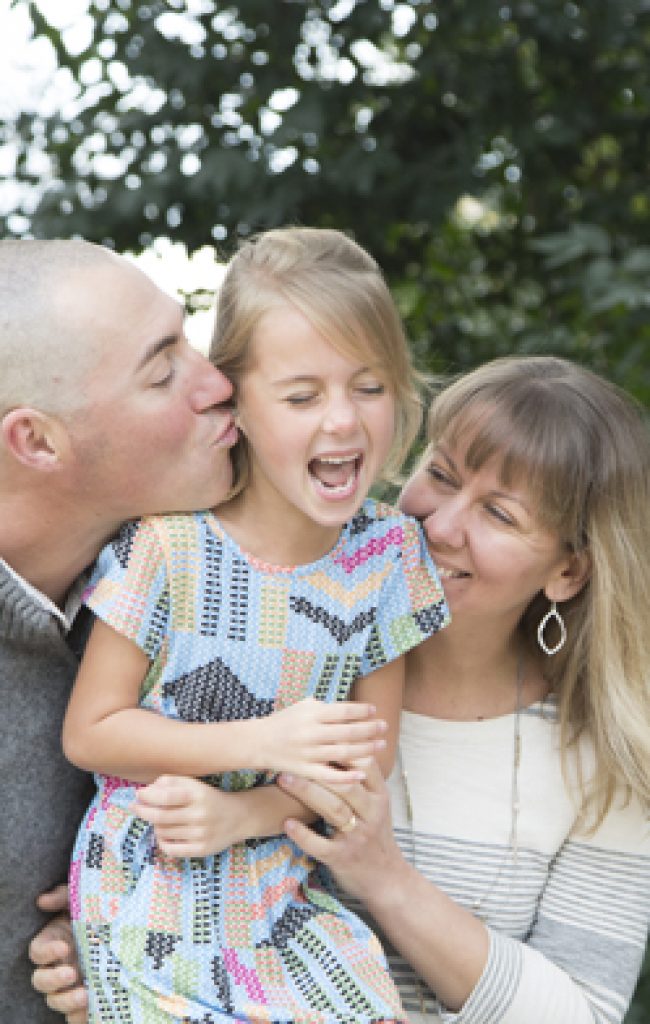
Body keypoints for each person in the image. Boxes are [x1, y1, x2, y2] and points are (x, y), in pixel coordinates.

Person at [60, 227, 450, 1023]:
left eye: (370, 387)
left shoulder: (388, 558)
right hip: (153, 885)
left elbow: (359, 776)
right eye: (302, 396)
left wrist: (245, 812)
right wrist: (258, 744)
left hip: (286, 889)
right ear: (234, 397)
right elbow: (92, 732)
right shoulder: (168, 544)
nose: (342, 421)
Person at [276, 355, 650, 1023]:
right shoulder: (284, 651)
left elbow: (583, 1015)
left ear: (567, 571)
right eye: (441, 475)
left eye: (499, 515)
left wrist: (384, 876)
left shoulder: (611, 762)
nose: (440, 525)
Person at [0, 237, 238, 1024]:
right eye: (163, 369)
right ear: (36, 442)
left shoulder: (203, 585)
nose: (218, 384)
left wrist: (117, 931)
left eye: (188, 339)